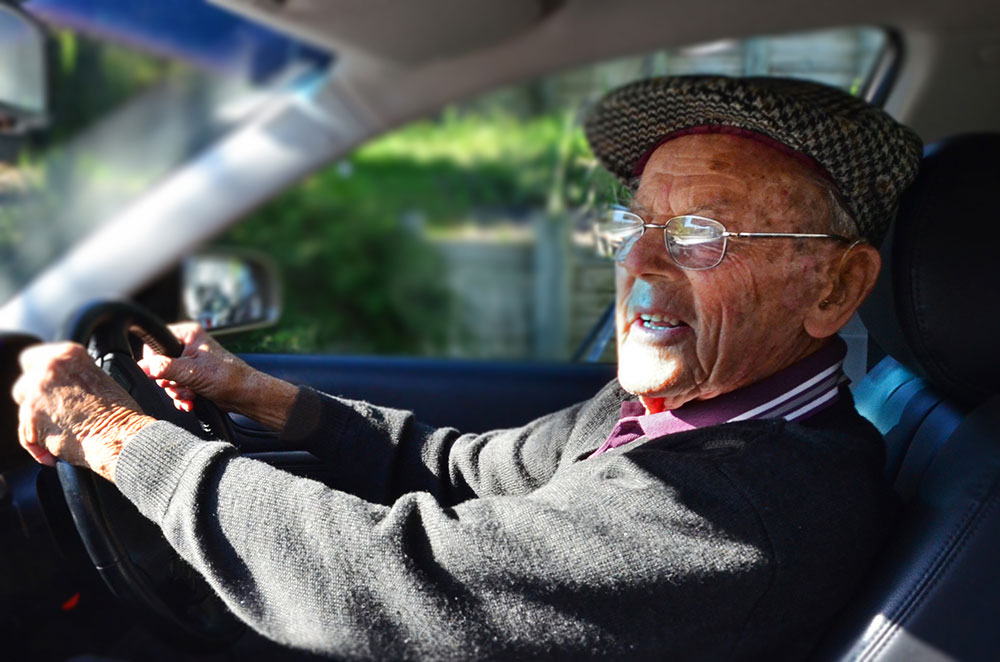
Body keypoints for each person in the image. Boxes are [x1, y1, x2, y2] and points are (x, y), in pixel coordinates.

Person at [13, 76, 922, 660]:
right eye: (632, 222)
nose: (639, 263)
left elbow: (388, 584)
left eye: (699, 234)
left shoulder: (741, 510)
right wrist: (249, 392)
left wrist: (115, 436)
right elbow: (463, 469)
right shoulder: (684, 412)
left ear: (835, 288)